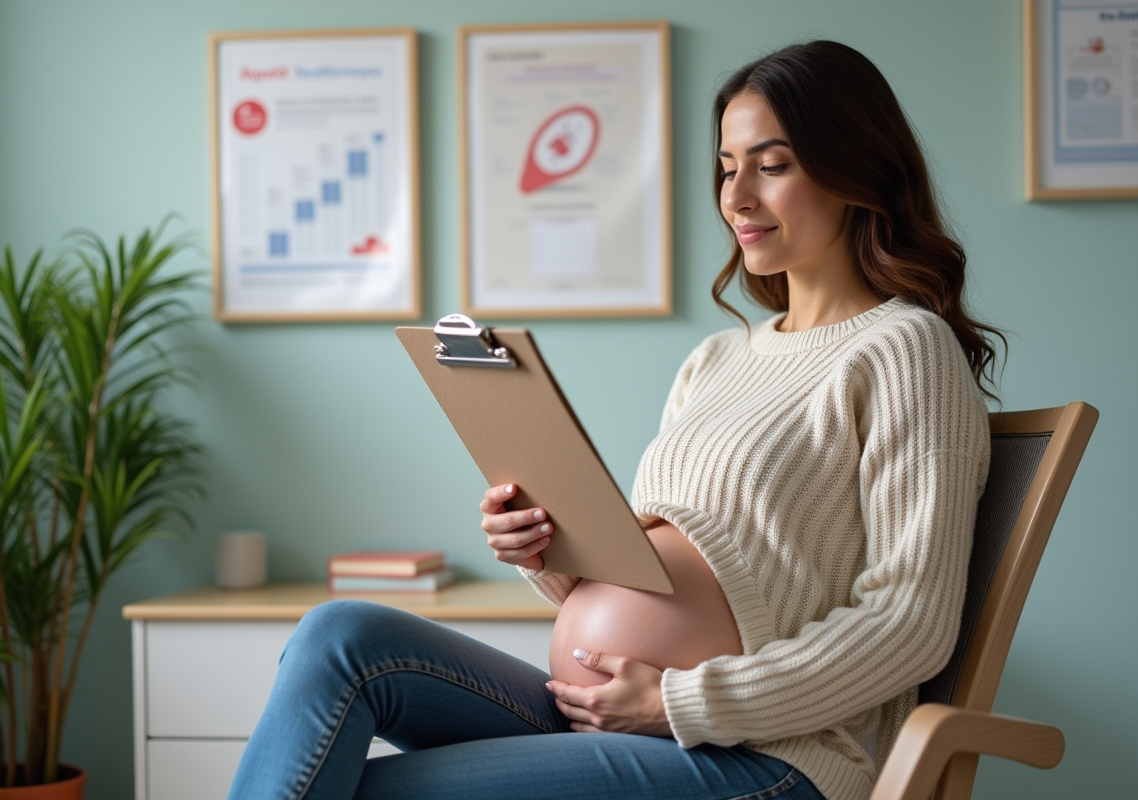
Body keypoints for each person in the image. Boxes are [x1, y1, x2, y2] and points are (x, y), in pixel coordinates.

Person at [227, 40, 1003, 800]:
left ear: (857, 170)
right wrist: (547, 552)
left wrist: (679, 703)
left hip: (761, 758)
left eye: (772, 166)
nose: (736, 198)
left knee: (346, 786)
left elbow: (909, 620)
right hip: (606, 720)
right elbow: (644, 586)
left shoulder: (903, 348)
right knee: (339, 637)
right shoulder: (717, 359)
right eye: (728, 169)